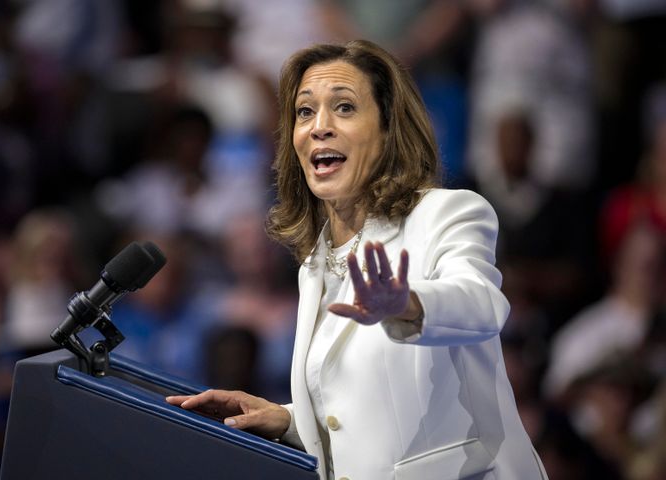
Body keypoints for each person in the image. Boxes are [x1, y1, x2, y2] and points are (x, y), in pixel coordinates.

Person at [167, 39, 547, 479]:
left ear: (388, 129)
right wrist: (290, 420)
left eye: (344, 107)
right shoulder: (315, 261)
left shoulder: (446, 213)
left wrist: (407, 304)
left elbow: (482, 304)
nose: (318, 127)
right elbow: (359, 408)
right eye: (305, 111)